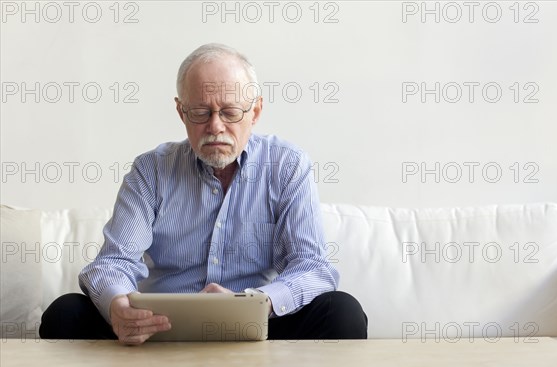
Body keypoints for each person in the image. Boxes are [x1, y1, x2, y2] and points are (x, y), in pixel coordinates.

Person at [40, 43, 367, 345]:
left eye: (229, 112)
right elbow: (112, 263)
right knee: (65, 313)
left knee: (342, 312)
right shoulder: (152, 170)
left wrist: (256, 303)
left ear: (255, 112)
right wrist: (119, 308)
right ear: (182, 113)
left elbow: (313, 267)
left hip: (259, 326)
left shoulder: (287, 166)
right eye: (200, 113)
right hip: (160, 329)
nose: (215, 126)